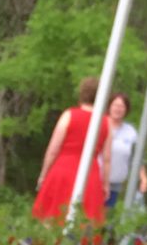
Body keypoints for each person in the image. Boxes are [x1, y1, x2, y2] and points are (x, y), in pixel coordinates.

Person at [33, 76, 112, 223]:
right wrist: (106, 184)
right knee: (85, 222)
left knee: (52, 216)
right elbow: (107, 159)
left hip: (64, 168)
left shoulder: (69, 115)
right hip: (90, 174)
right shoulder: (106, 122)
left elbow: (53, 149)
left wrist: (44, 174)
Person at [105, 92, 147, 211]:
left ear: (126, 110)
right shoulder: (99, 124)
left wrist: (143, 178)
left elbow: (137, 157)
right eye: (115, 105)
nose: (118, 109)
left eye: (121, 106)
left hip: (114, 184)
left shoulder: (130, 132)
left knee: (104, 218)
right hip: (95, 180)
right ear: (109, 106)